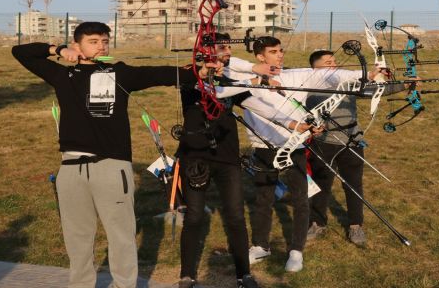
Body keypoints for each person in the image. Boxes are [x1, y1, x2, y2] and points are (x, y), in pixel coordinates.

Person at [12, 22, 210, 288]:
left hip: (111, 166)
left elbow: (160, 73)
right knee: (77, 237)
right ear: (77, 45)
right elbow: (21, 52)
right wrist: (56, 49)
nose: (101, 46)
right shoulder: (62, 76)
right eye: (93, 41)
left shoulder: (120, 74)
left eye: (105, 41)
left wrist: (202, 70)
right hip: (71, 168)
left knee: (121, 236)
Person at [225, 37, 381, 272]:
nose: (279, 55)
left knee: (300, 199)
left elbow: (329, 76)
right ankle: (260, 246)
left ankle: (296, 251)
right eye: (273, 52)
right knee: (263, 199)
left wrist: (366, 75)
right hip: (263, 147)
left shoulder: (296, 76)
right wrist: (253, 73)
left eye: (280, 50)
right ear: (259, 57)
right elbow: (225, 68)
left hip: (294, 146)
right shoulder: (244, 79)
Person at [175, 33, 309, 288]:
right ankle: (187, 275)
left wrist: (293, 123)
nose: (228, 53)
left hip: (227, 159)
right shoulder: (191, 75)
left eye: (228, 48)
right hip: (196, 158)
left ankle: (243, 274)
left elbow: (256, 105)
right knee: (193, 218)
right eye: (223, 48)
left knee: (236, 217)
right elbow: (212, 89)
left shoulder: (230, 80)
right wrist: (255, 77)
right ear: (206, 50)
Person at [305, 49, 411, 247]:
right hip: (322, 143)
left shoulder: (349, 83)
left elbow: (376, 90)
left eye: (335, 61)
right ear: (315, 67)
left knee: (354, 185)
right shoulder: (305, 87)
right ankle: (317, 222)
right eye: (329, 62)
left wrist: (405, 84)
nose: (335, 64)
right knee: (321, 185)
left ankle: (355, 225)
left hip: (351, 141)